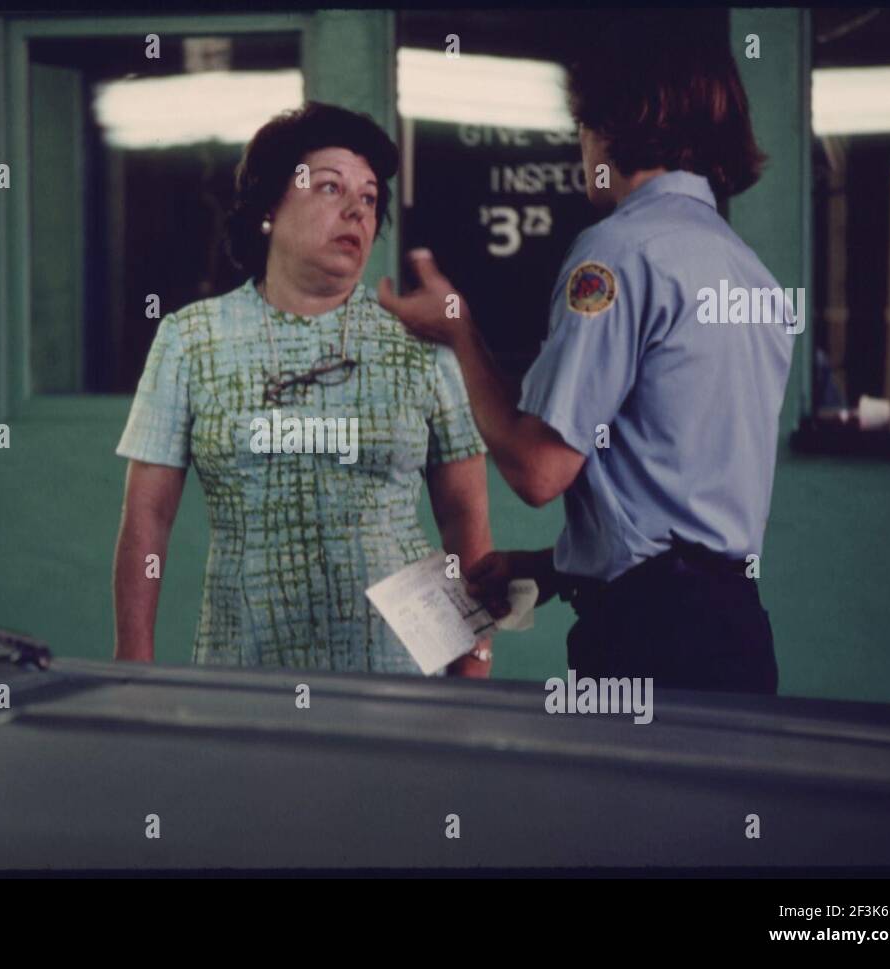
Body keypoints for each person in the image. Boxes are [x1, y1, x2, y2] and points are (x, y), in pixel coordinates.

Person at [378, 32, 792, 693]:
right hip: (735, 632)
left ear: (612, 126)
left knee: (629, 801)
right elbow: (678, 509)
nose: (581, 148)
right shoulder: (754, 277)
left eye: (580, 126)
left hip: (647, 639)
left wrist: (458, 331)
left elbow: (539, 469)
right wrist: (551, 567)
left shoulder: (617, 254)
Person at [114, 101, 493, 676]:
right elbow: (148, 517)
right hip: (244, 663)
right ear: (269, 205)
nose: (356, 212)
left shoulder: (418, 338)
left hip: (409, 672)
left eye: (368, 198)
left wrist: (474, 660)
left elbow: (465, 516)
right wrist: (133, 663)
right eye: (329, 188)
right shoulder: (191, 338)